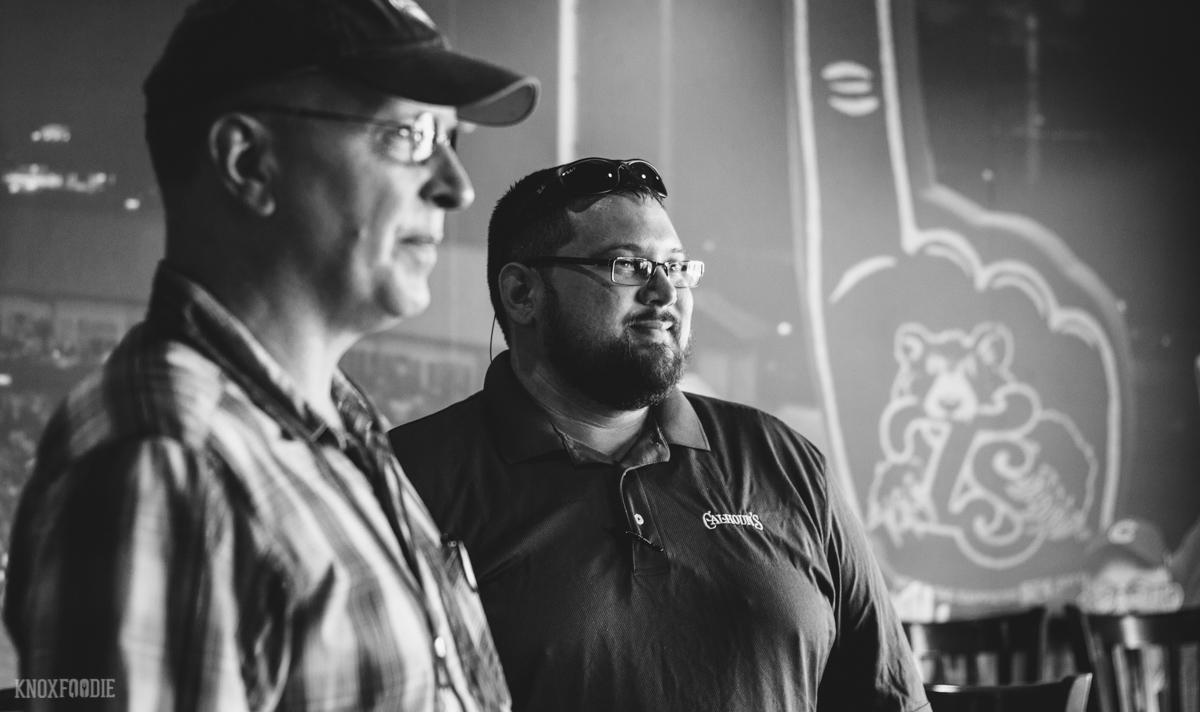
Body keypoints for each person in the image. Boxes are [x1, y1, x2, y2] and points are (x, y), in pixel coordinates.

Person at [3, 0, 538, 709]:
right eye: (408, 133)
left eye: (450, 137)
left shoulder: (333, 430)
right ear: (249, 162)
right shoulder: (167, 464)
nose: (456, 186)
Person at [388, 158, 929, 711]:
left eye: (677, 267)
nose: (665, 292)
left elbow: (889, 700)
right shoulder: (410, 481)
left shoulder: (781, 461)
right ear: (523, 293)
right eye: (626, 266)